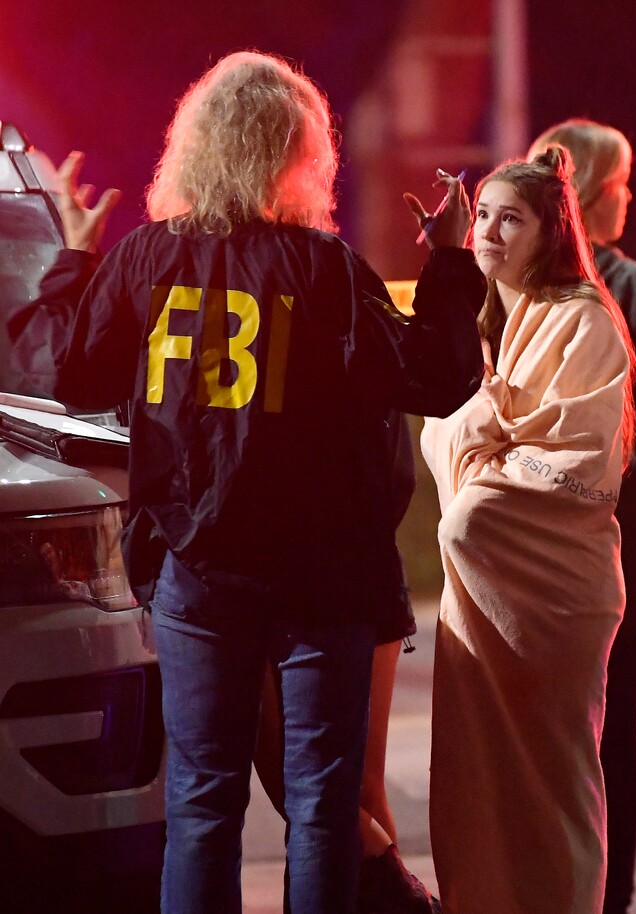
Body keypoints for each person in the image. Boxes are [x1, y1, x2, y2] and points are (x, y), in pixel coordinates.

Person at [21, 52, 485, 914]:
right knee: (320, 806)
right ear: (296, 154)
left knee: (202, 804)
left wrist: (76, 263)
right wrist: (451, 263)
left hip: (196, 575)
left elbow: (67, 373)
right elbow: (440, 377)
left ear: (196, 147)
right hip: (319, 577)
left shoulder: (143, 261)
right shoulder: (324, 269)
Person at [406, 146, 636, 914]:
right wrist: (484, 424)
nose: (492, 232)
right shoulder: (504, 316)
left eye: (513, 219)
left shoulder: (584, 319)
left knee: (550, 777)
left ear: (552, 231)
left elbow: (575, 458)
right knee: (485, 777)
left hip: (549, 594)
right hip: (490, 602)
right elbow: (455, 425)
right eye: (484, 217)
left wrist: (480, 469)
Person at [528, 119, 636, 914]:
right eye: (624, 183)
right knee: (614, 738)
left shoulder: (520, 282)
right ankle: (611, 899)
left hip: (530, 549)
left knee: (546, 740)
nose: (631, 196)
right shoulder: (631, 289)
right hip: (624, 552)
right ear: (599, 195)